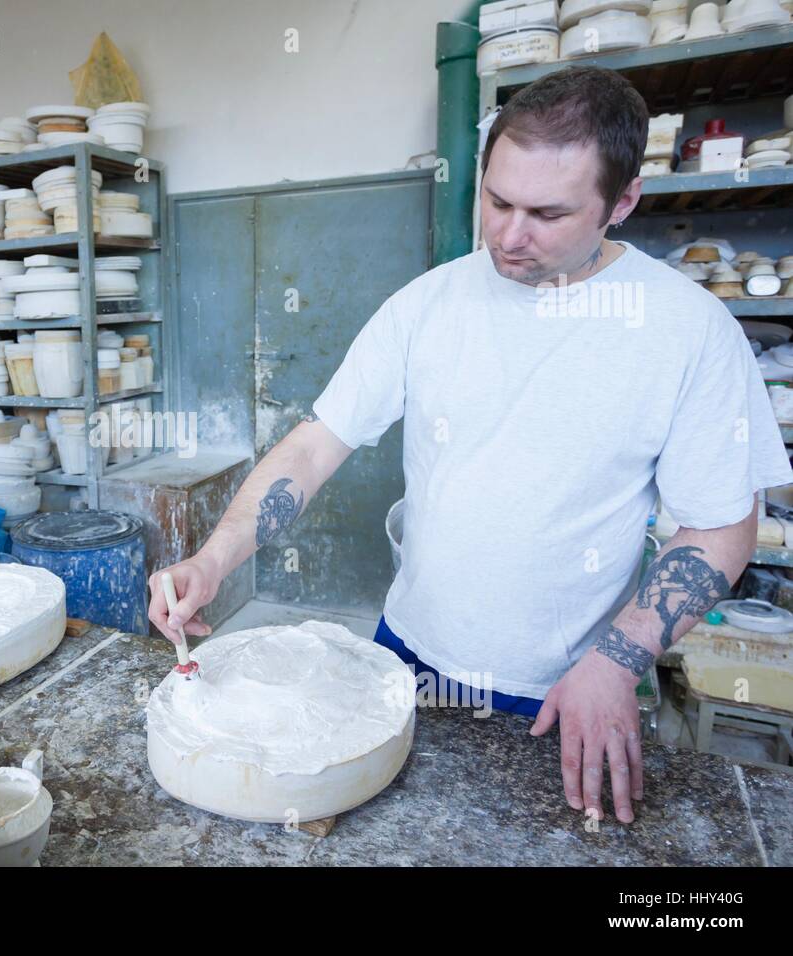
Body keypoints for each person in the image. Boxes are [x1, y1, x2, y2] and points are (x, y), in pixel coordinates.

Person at [148, 66, 792, 825]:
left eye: (547, 213)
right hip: (405, 656)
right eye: (496, 200)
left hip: (568, 687)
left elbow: (720, 524)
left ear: (622, 203)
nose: (509, 235)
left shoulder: (688, 331)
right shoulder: (428, 304)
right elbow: (317, 445)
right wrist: (215, 557)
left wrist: (621, 660)